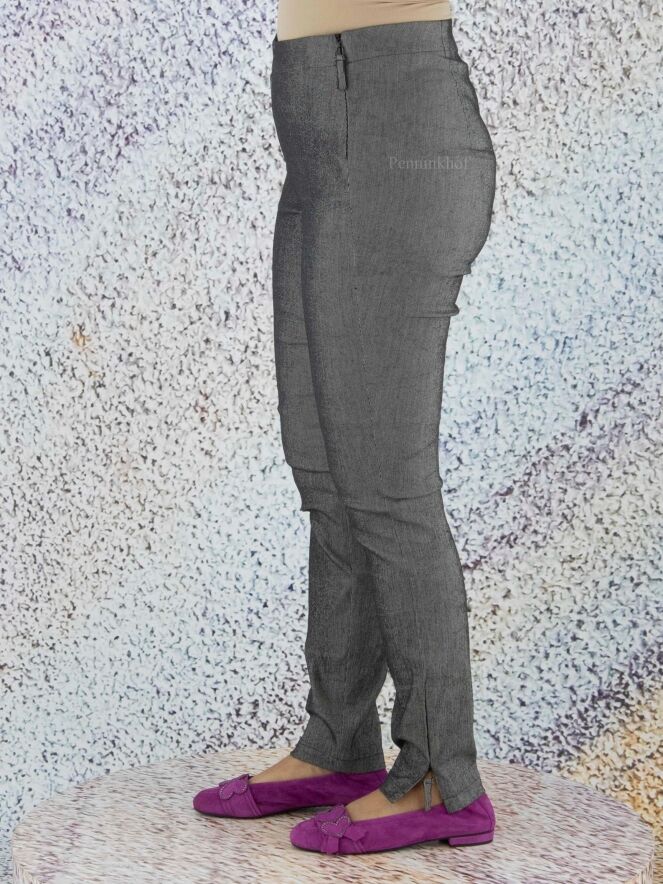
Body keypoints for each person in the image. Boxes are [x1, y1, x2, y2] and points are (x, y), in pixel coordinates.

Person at [193, 0, 497, 855]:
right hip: (319, 136)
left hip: (390, 130)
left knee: (386, 492)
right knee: (327, 477)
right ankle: (338, 744)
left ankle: (441, 778)